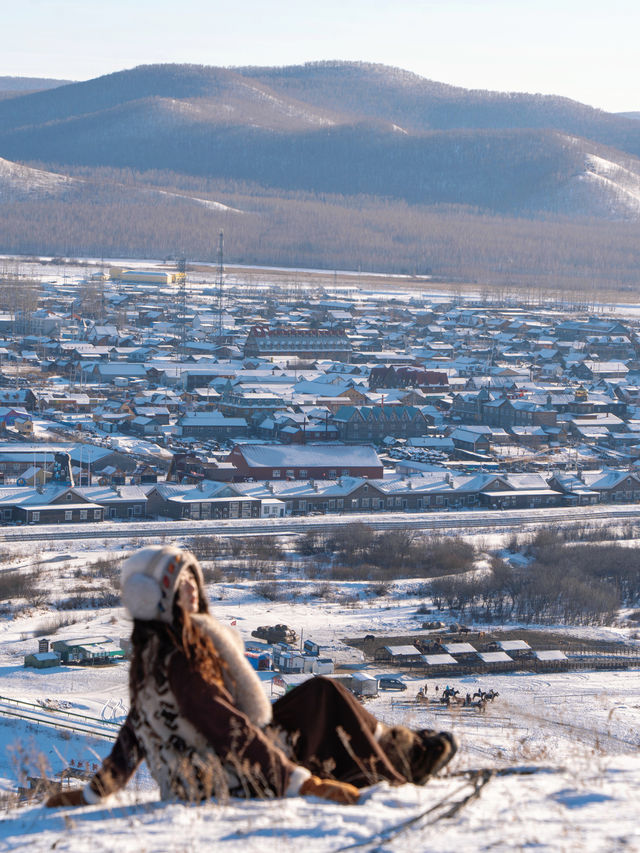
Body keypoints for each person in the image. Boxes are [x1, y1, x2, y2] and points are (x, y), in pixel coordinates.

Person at [46, 546, 457, 808]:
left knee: (319, 694)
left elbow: (133, 735)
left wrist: (90, 793)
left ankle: (400, 756)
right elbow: (228, 729)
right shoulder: (179, 661)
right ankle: (397, 771)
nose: (191, 587)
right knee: (321, 697)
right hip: (221, 777)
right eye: (178, 582)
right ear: (156, 598)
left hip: (199, 776)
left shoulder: (152, 658)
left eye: (193, 578)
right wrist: (302, 784)